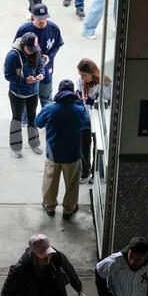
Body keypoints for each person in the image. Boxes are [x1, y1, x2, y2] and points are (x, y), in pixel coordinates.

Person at [35, 80, 90, 219]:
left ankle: (49, 206)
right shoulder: (78, 109)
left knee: (50, 180)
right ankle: (69, 209)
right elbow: (86, 124)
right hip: (72, 154)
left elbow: (38, 122)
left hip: (53, 153)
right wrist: (79, 104)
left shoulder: (49, 108)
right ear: (72, 93)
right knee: (72, 183)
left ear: (59, 92)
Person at [3, 32, 45, 158]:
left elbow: (41, 65)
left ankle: (34, 143)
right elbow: (8, 75)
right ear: (23, 44)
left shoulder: (35, 51)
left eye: (34, 49)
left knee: (32, 117)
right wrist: (25, 80)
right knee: (17, 118)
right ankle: (15, 146)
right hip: (17, 93)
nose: (32, 52)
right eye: (29, 49)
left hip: (33, 92)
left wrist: (41, 74)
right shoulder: (13, 56)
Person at [14, 3, 64, 107]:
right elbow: (16, 48)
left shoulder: (54, 28)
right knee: (26, 97)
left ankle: (47, 119)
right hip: (28, 70)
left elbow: (57, 44)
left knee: (46, 98)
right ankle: (25, 119)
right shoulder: (24, 30)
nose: (42, 21)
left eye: (44, 18)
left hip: (46, 69)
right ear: (33, 16)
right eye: (39, 18)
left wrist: (50, 56)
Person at [76, 58, 111, 182]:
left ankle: (95, 173)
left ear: (92, 72)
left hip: (98, 119)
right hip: (85, 118)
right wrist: (78, 96)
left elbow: (108, 103)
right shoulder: (81, 81)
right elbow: (79, 93)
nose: (82, 78)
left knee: (98, 146)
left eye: (84, 75)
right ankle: (85, 173)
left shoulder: (105, 82)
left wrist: (91, 101)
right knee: (83, 146)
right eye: (80, 75)